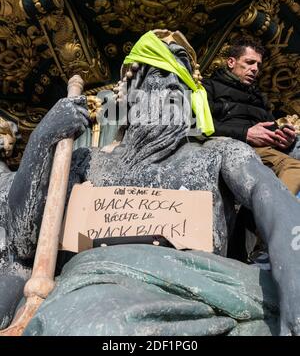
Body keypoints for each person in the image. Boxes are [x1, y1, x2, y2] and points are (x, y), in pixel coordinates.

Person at [1, 30, 300, 336]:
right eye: (157, 72)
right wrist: (41, 141)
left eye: (181, 77)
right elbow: (22, 243)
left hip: (210, 295)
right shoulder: (85, 162)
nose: (172, 82)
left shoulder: (220, 155)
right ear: (129, 95)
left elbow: (276, 204)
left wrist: (295, 289)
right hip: (95, 302)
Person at [202, 38, 300, 195]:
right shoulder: (208, 87)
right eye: (249, 62)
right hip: (230, 145)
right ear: (231, 62)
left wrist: (285, 139)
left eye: (258, 65)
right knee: (294, 168)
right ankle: (275, 217)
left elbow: (271, 128)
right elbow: (198, 126)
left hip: (265, 149)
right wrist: (245, 133)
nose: (255, 69)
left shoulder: (258, 97)